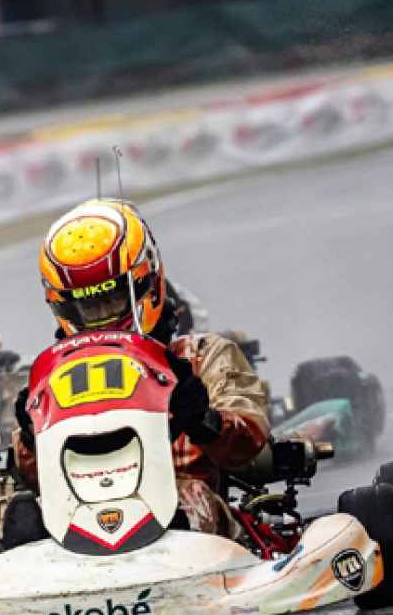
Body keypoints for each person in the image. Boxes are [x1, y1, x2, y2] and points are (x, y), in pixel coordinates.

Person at [14, 197, 270, 538]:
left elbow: (247, 447)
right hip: (82, 516)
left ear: (145, 283)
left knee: (185, 498)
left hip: (189, 520)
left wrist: (203, 421)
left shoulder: (202, 357)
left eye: (112, 298)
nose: (103, 314)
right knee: (22, 515)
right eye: (89, 306)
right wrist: (32, 441)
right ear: (65, 309)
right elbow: (31, 478)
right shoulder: (52, 377)